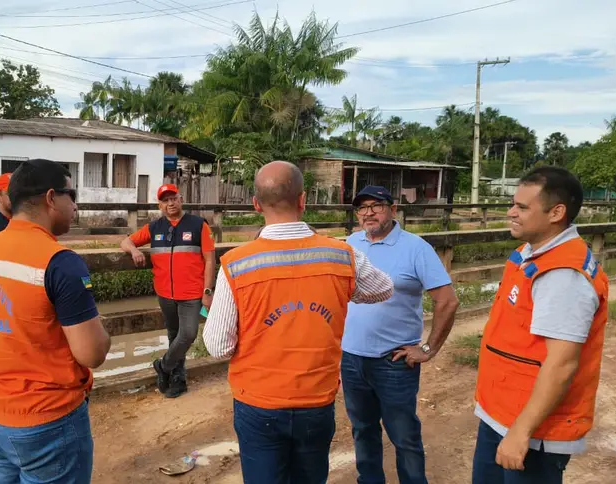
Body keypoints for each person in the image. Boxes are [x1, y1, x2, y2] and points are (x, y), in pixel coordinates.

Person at [203, 161, 395, 484]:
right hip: (316, 401)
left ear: (256, 204)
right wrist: (341, 292)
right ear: (303, 200)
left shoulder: (236, 263)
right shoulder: (341, 255)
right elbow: (384, 288)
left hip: (259, 403)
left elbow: (219, 346)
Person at [0, 158, 111, 484]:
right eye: (72, 195)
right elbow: (92, 354)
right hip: (47, 419)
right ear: (50, 198)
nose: (75, 206)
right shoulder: (60, 262)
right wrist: (101, 328)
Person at [472, 166, 609, 484]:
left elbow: (562, 364)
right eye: (513, 204)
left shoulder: (563, 275)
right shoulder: (531, 254)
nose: (511, 212)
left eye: (522, 207)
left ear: (556, 213)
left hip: (535, 431)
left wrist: (521, 432)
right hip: (503, 413)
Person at [341, 185, 460, 484]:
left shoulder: (416, 248)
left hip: (393, 361)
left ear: (393, 210)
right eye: (362, 207)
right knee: (363, 429)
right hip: (352, 358)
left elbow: (447, 301)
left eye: (376, 206)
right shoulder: (350, 244)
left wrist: (428, 349)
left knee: (404, 434)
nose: (368, 213)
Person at [120, 184, 216, 398]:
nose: (170, 203)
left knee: (188, 333)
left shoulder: (198, 225)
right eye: (165, 200)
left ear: (181, 200)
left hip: (191, 293)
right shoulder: (154, 227)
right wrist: (134, 250)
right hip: (165, 294)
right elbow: (126, 241)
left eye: (174, 198)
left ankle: (163, 366)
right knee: (173, 335)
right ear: (160, 205)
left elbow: (210, 259)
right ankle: (177, 379)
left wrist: (208, 291)